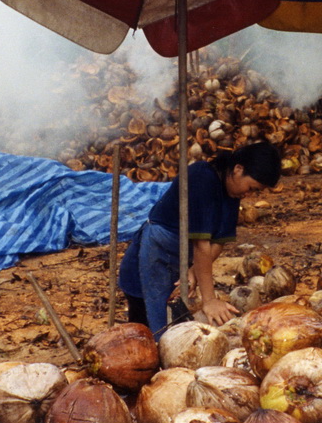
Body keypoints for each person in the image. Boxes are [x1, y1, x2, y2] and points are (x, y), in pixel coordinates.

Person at [118, 141, 281, 337]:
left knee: (177, 316)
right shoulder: (201, 177)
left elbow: (218, 241)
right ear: (238, 169)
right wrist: (209, 300)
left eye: (256, 191)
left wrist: (195, 269)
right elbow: (201, 245)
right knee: (151, 324)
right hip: (157, 249)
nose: (249, 194)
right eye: (252, 187)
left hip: (182, 254)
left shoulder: (232, 193)